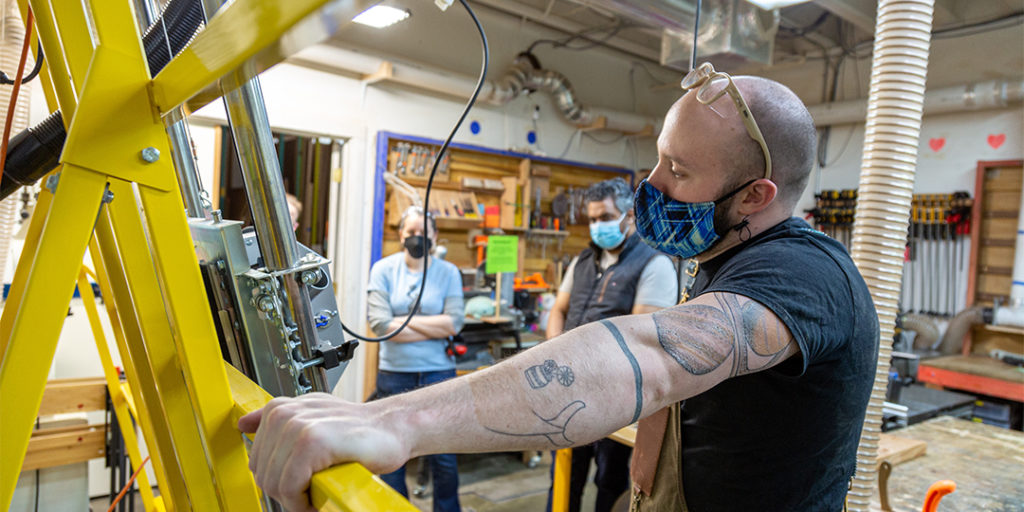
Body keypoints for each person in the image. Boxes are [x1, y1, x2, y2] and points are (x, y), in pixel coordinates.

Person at [239, 65, 878, 512]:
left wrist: (396, 421)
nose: (651, 184)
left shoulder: (805, 275)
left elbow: (652, 357)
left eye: (678, 170)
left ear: (756, 196)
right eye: (659, 156)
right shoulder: (722, 257)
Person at [546, 177, 677, 512]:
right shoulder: (583, 261)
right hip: (568, 390)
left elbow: (639, 338)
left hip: (615, 398)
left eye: (605, 217)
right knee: (563, 476)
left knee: (610, 479)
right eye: (591, 219)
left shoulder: (654, 264)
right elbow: (559, 310)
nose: (597, 226)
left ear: (629, 215)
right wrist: (554, 357)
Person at [363, 206, 466, 512]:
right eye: (411, 233)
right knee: (391, 451)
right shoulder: (383, 270)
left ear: (435, 236)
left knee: (444, 456)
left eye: (423, 233)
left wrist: (402, 323)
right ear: (400, 235)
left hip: (439, 375)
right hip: (395, 374)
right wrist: (433, 325)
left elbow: (454, 324)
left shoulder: (448, 272)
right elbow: (379, 326)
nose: (417, 238)